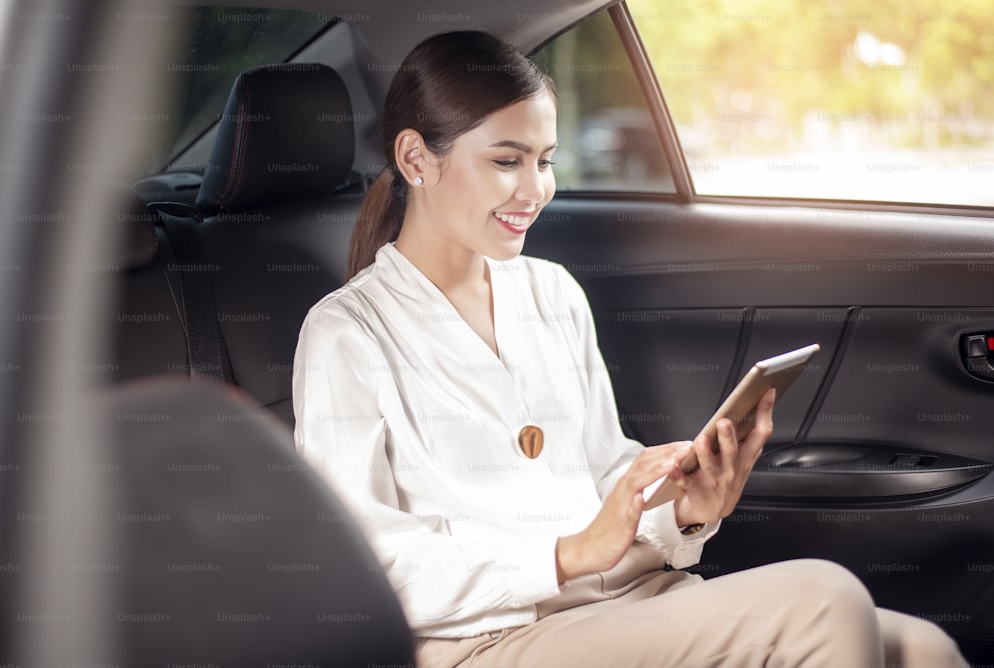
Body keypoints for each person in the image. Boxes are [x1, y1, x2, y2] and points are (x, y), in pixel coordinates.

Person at [292, 30, 968, 668]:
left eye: (545, 161)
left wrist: (686, 510)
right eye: (506, 161)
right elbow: (364, 572)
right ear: (416, 159)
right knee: (824, 599)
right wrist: (564, 555)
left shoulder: (552, 294)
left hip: (623, 598)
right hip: (492, 639)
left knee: (920, 648)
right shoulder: (347, 334)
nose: (536, 190)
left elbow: (604, 476)